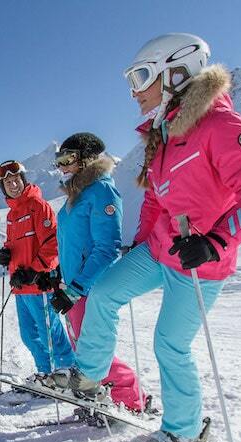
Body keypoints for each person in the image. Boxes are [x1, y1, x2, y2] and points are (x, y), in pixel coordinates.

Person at [57, 33, 241, 442]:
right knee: (103, 294)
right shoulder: (163, 135)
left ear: (177, 72)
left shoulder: (219, 126)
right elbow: (157, 201)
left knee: (169, 343)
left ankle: (184, 431)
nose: (134, 91)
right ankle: (89, 376)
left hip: (200, 261)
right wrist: (139, 246)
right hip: (160, 249)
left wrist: (216, 241)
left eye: (142, 77)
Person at [47, 132, 148, 413]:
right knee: (83, 346)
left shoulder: (102, 191)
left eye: (67, 159)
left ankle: (131, 401)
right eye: (59, 160)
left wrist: (76, 288)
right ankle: (100, 396)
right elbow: (70, 243)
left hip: (90, 286)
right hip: (74, 284)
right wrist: (58, 274)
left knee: (95, 349)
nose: (61, 166)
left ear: (86, 159)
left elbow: (107, 248)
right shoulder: (76, 195)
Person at [0, 160, 74, 381]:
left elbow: (53, 244)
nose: (13, 185)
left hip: (39, 284)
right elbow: (14, 244)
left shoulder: (38, 206)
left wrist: (35, 271)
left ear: (23, 180)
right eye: (8, 182)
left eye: (16, 180)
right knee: (29, 336)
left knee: (51, 335)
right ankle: (46, 375)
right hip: (20, 286)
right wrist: (5, 254)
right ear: (3, 187)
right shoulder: (11, 215)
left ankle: (67, 374)